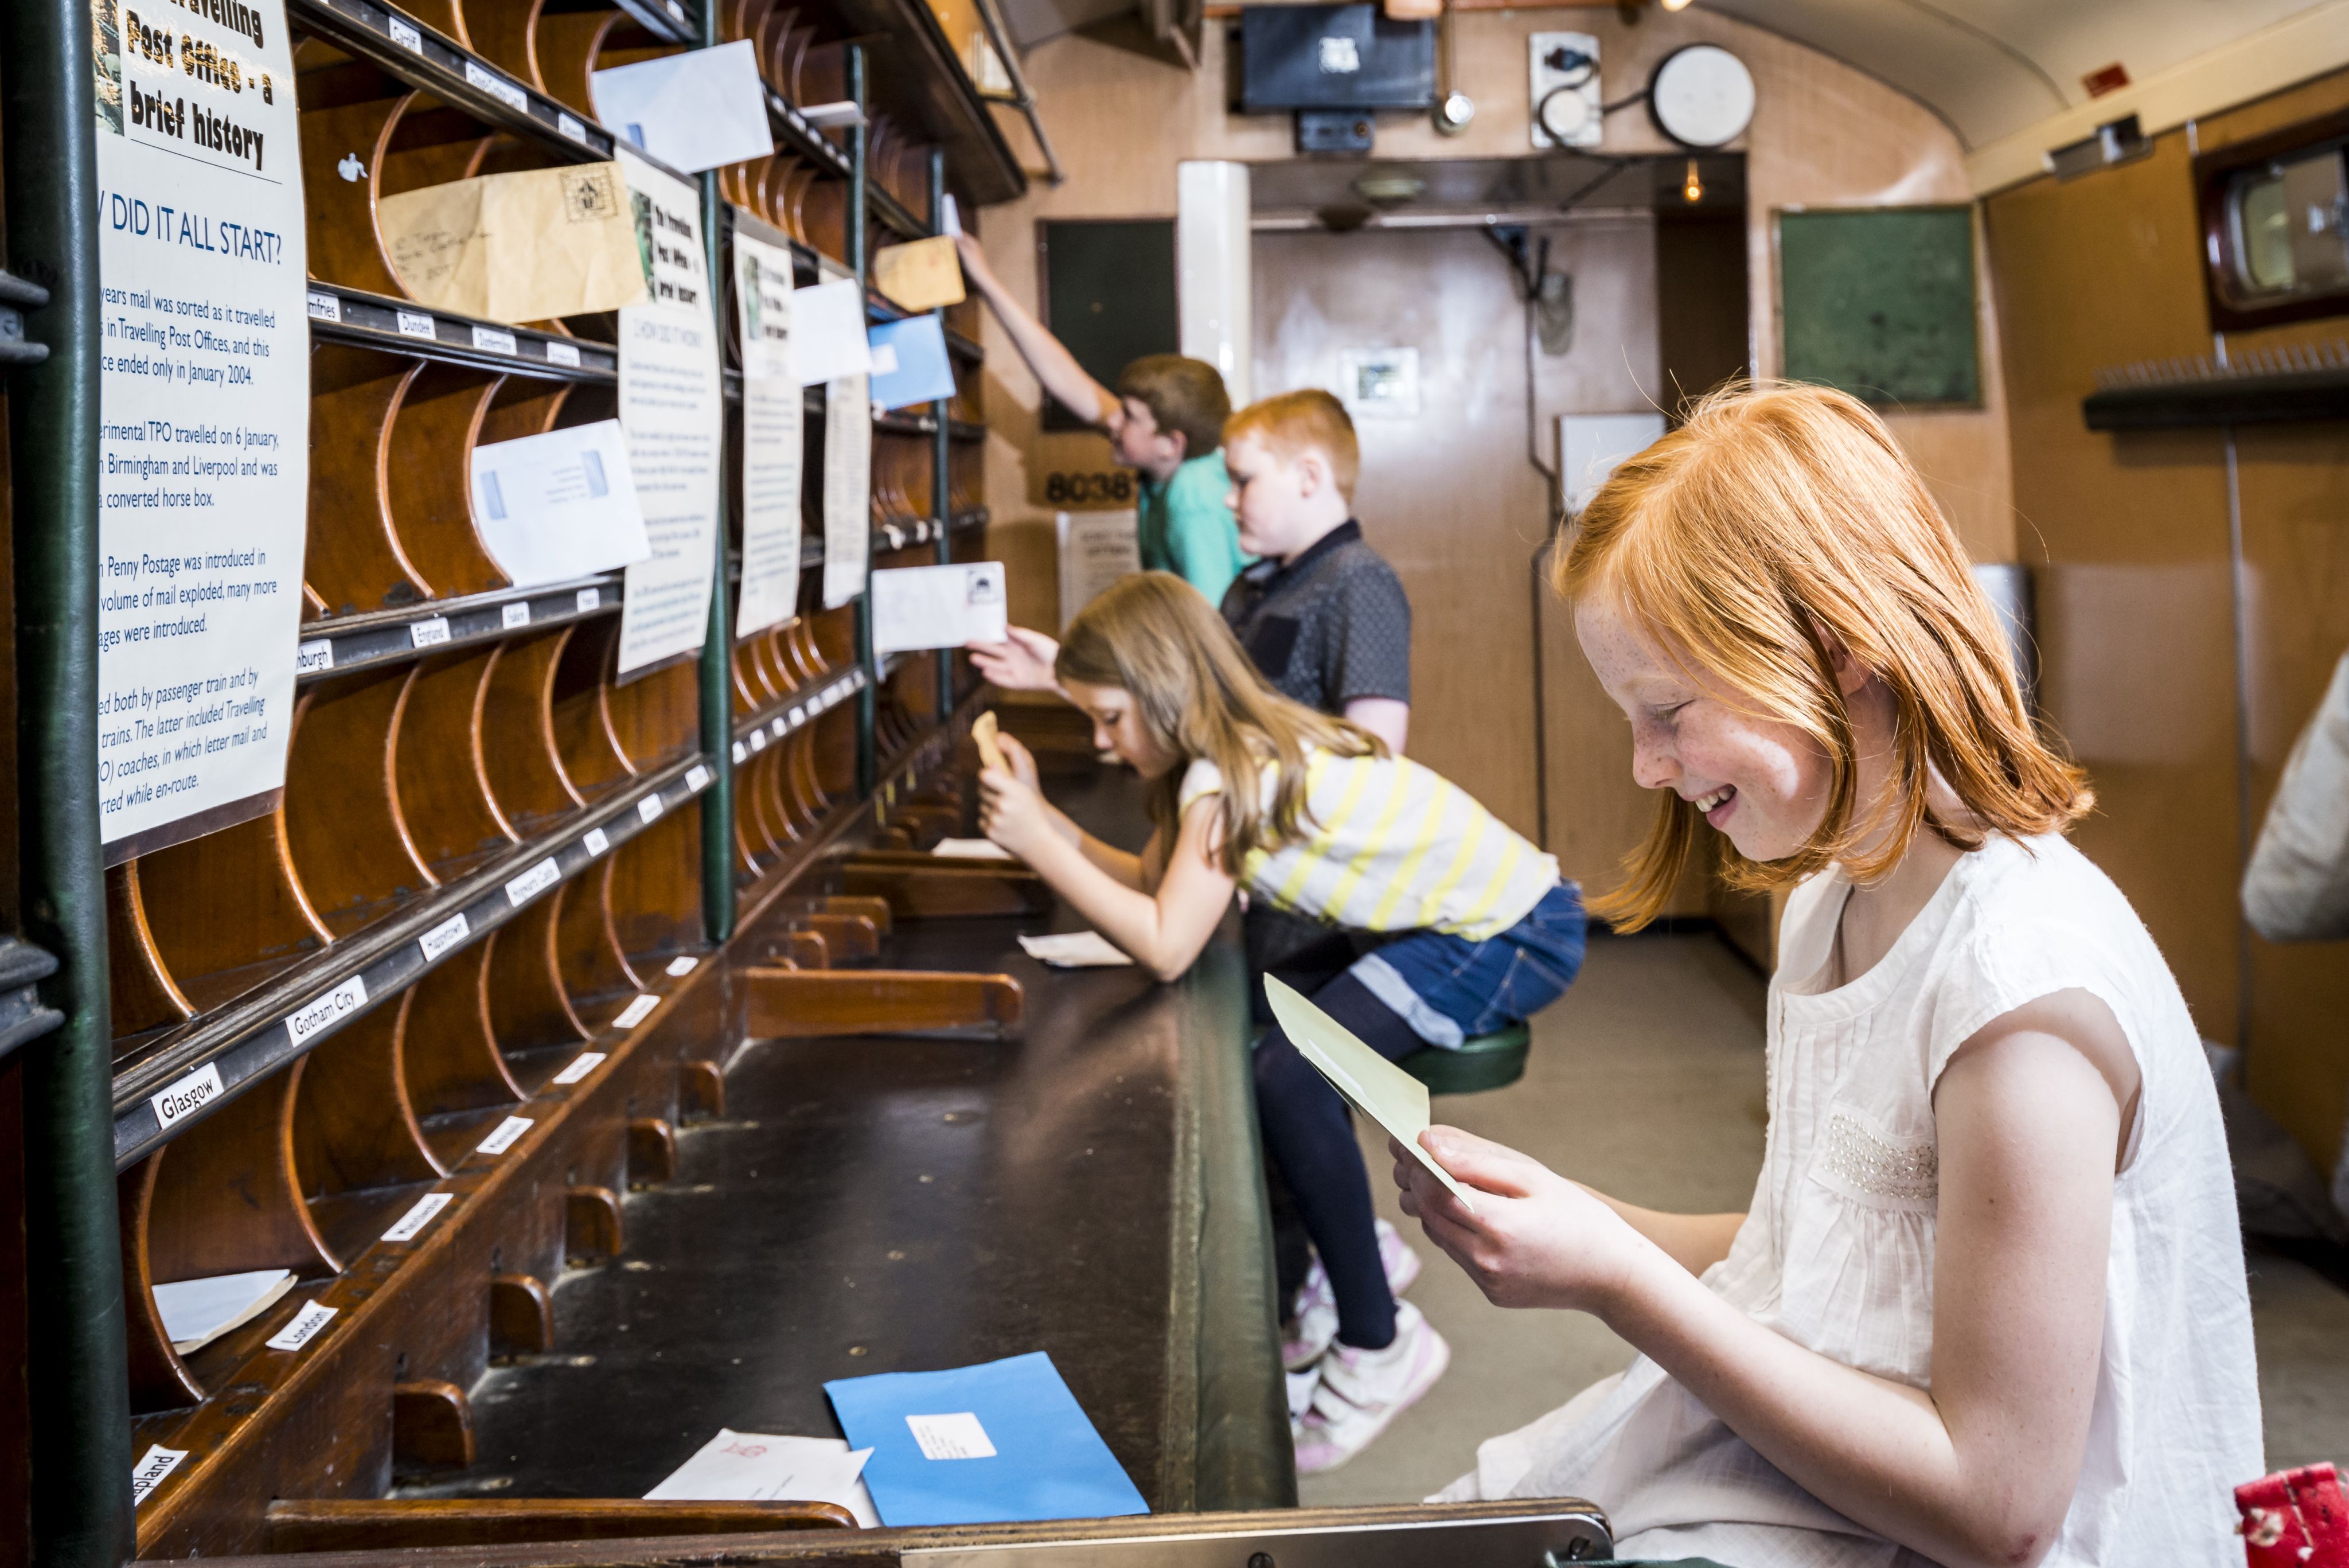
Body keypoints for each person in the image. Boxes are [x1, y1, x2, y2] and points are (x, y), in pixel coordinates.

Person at [1389, 384, 2259, 1567]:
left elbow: (1995, 1505)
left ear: (1838, 646)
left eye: (1667, 711)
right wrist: (1579, 1218)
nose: (1646, 766)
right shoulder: (1830, 899)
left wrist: (1613, 1283)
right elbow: (1832, 1247)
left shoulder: (2018, 1002)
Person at [971, 572, 1585, 1474]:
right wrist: (1051, 827)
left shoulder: (1229, 779)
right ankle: (1341, 1248)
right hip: (1451, 922)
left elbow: (1167, 942)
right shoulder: (1210, 758)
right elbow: (1156, 886)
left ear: (1163, 693)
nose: (1102, 743)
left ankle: (1381, 1342)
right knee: (1261, 1025)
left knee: (1285, 1072)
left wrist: (1033, 840)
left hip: (1510, 932)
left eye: (1109, 718)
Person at [953, 232, 1251, 607]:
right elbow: (1065, 378)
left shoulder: (1194, 502)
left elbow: (1212, 628)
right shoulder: (1170, 460)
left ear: (1171, 443)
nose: (1112, 422)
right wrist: (983, 277)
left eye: (1128, 417)